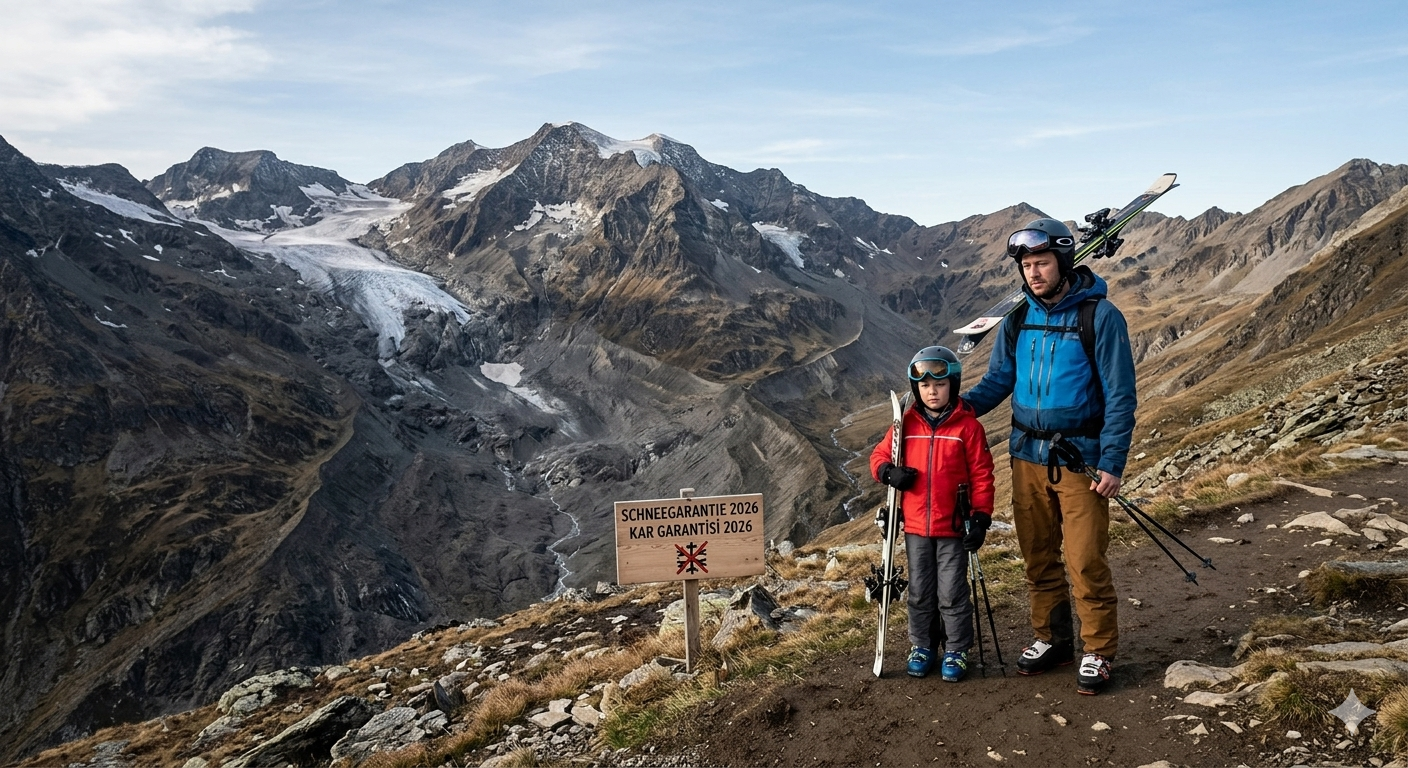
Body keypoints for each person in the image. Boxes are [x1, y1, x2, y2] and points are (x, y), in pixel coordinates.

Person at [963, 217, 1137, 696]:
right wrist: (951, 410)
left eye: (1041, 262)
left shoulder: (1100, 317)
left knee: (1084, 560)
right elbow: (998, 381)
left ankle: (1098, 650)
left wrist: (1113, 461)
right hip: (1025, 456)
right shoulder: (1018, 318)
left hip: (1080, 460)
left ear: (1063, 262)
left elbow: (1121, 395)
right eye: (1026, 265)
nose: (1033, 273)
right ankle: (1052, 639)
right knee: (1038, 557)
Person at [870, 346, 996, 681]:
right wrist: (888, 473)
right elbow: (879, 456)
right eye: (924, 386)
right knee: (920, 591)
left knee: (952, 592)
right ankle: (922, 645)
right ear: (916, 389)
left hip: (953, 527)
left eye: (939, 385)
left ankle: (956, 649)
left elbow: (983, 475)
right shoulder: (905, 425)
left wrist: (981, 518)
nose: (932, 391)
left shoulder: (968, 429)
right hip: (914, 528)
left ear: (952, 385)